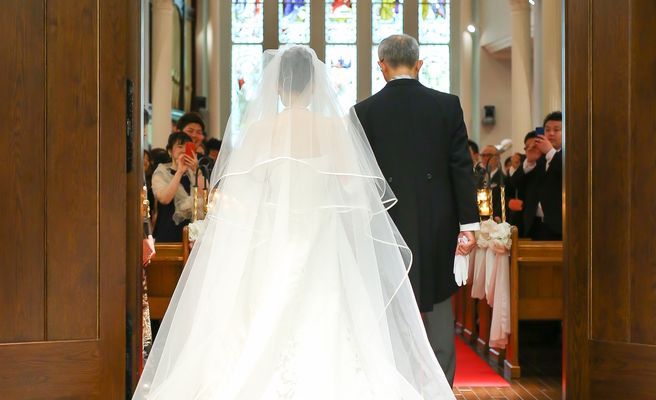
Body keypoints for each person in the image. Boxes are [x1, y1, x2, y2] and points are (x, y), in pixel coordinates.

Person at [133, 45, 457, 399]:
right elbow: (352, 190)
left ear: (276, 85)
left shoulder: (260, 131)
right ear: (315, 85)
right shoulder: (332, 129)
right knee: (330, 310)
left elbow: (245, 195)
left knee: (264, 309)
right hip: (324, 237)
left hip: (272, 237)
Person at [354, 34, 479, 386]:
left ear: (381, 66)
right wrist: (468, 225)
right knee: (438, 305)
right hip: (437, 223)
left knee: (391, 307)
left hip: (386, 224)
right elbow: (461, 168)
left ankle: (395, 387)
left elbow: (362, 179)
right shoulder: (447, 105)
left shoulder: (363, 112)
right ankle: (440, 388)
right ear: (419, 64)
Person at [509, 112, 562, 240]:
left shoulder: (570, 156)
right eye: (547, 130)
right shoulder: (538, 158)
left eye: (556, 130)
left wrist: (550, 152)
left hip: (560, 227)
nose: (551, 134)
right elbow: (514, 184)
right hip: (534, 225)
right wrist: (529, 161)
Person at [151, 132, 200, 243]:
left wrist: (196, 171)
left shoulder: (195, 173)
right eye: (180, 146)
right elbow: (164, 199)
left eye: (187, 147)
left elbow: (206, 199)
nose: (183, 150)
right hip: (167, 234)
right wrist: (179, 172)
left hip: (193, 237)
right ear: (170, 151)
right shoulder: (161, 172)